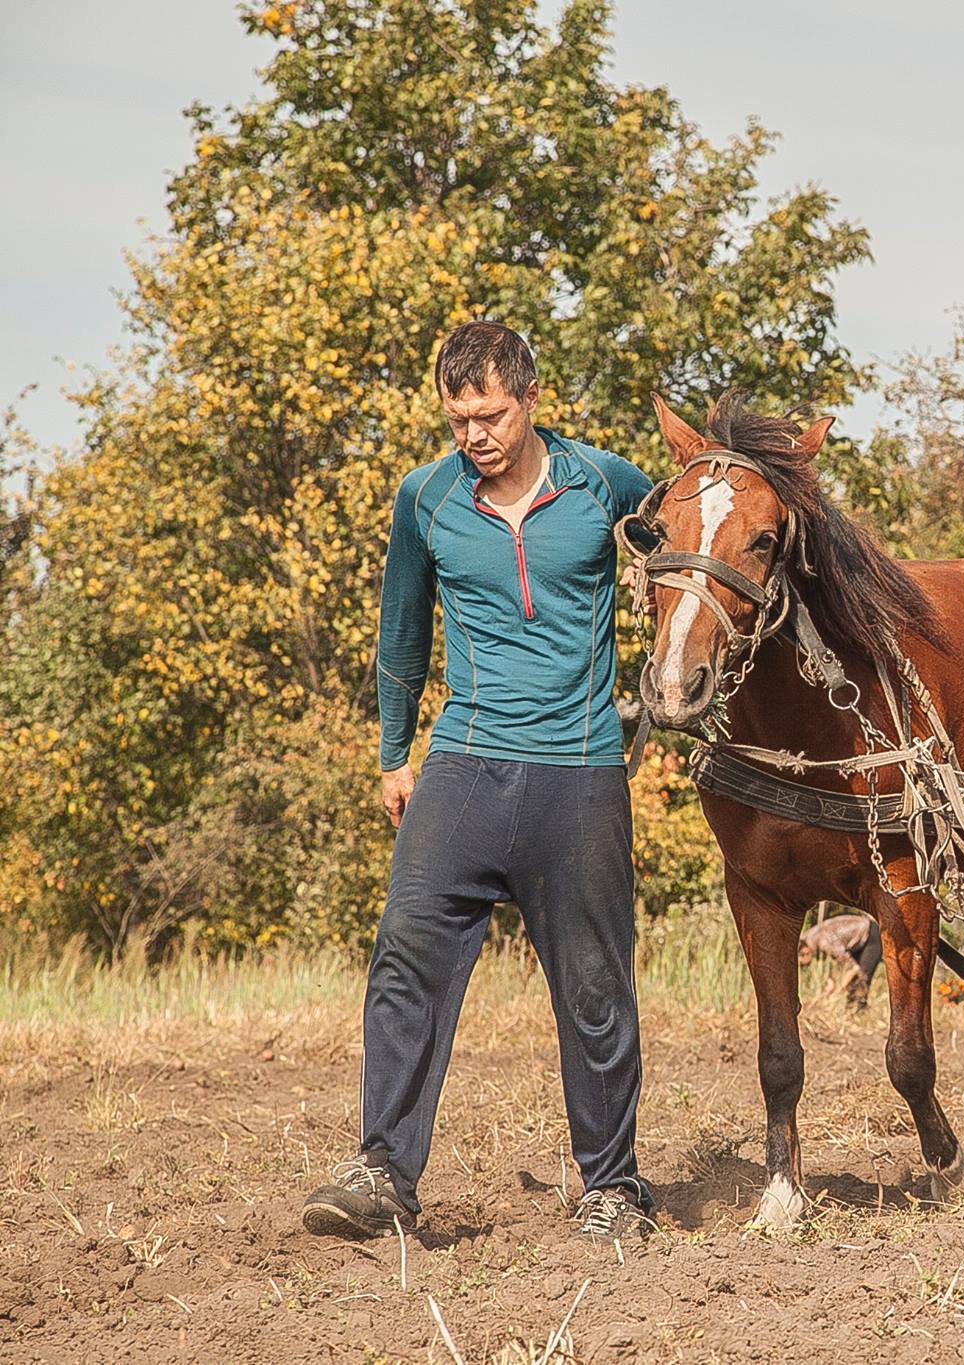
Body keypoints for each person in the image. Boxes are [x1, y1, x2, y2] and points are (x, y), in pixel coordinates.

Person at [301, 322, 658, 1242]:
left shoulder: (607, 483)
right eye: (458, 419)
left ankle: (612, 1186)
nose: (475, 436)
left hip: (580, 770)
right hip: (462, 760)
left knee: (594, 984)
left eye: (490, 415)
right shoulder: (425, 497)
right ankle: (382, 1171)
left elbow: (688, 561)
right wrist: (394, 753)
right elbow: (400, 632)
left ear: (531, 398)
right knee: (404, 958)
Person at [798, 912, 883, 1009]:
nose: (801, 963)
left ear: (805, 951)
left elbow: (854, 968)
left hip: (870, 934)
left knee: (861, 977)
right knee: (854, 982)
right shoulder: (807, 937)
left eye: (801, 957)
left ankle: (859, 1012)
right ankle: (851, 1010)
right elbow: (832, 964)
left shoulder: (825, 943)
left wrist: (838, 991)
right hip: (856, 941)